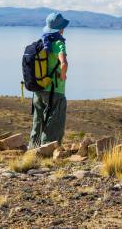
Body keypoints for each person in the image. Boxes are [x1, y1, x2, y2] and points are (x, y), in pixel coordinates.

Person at [28, 11, 69, 148]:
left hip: (38, 88)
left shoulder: (41, 42)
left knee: (37, 120)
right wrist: (63, 74)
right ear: (60, 28)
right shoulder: (58, 43)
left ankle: (33, 148)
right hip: (55, 90)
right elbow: (64, 63)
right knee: (54, 122)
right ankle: (47, 152)